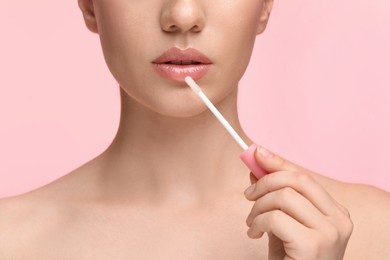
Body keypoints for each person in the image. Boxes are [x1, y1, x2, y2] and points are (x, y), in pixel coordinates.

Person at [1, 0, 389, 259]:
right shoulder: (11, 241)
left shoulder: (376, 232)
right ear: (89, 5)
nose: (183, 15)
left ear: (265, 6)